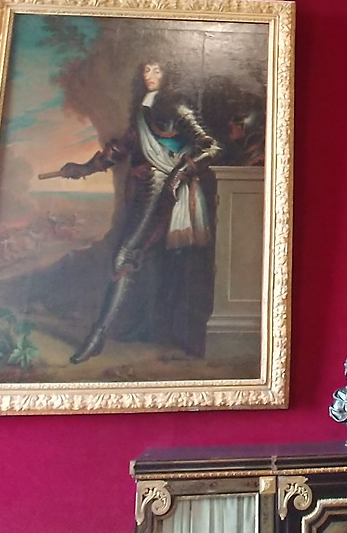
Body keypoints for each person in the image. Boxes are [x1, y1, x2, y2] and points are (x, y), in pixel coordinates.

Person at [47, 61, 219, 363]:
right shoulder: (142, 110)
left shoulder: (177, 108)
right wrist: (82, 169)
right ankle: (105, 333)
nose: (149, 76)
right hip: (140, 189)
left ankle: (97, 337)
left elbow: (210, 147)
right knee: (128, 255)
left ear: (168, 75)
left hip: (160, 187)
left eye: (157, 71)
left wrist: (180, 172)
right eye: (146, 71)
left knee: (124, 256)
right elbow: (121, 149)